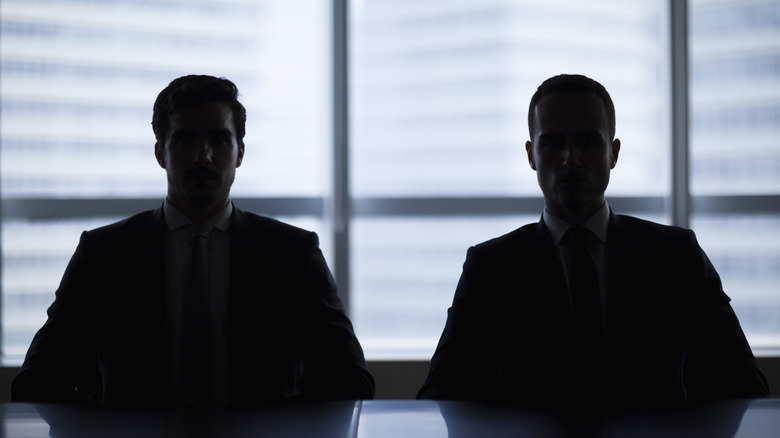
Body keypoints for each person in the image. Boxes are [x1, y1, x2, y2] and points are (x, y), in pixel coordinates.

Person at [11, 74, 374, 407]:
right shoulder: (103, 254)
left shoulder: (292, 254)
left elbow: (350, 377)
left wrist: (279, 426)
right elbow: (37, 380)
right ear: (160, 153)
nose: (203, 156)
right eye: (185, 139)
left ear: (240, 153)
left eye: (218, 139)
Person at [417, 74, 769, 404]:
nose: (571, 159)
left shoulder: (676, 256)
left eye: (587, 141)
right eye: (553, 143)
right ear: (531, 156)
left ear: (613, 153)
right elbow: (442, 394)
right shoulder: (490, 268)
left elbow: (740, 382)